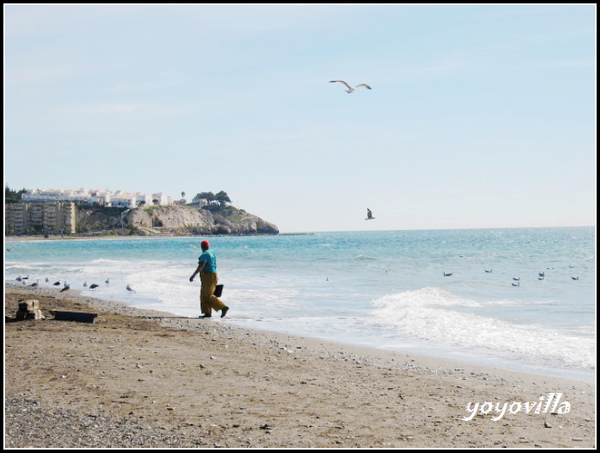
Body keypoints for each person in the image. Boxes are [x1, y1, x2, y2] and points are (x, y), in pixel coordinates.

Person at [189, 240, 229, 318]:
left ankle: (223, 307)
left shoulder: (204, 255)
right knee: (203, 295)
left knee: (207, 295)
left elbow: (201, 266)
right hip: (213, 275)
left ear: (201, 247)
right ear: (208, 246)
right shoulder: (212, 253)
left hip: (208, 277)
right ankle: (207, 313)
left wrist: (193, 275)